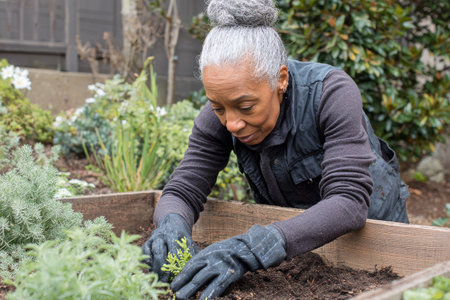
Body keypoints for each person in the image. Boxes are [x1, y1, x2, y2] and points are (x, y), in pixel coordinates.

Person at [143, 0, 410, 299]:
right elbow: (183, 189)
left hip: (370, 240)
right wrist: (171, 225)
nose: (232, 122)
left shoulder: (331, 94)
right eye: (218, 107)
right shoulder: (221, 115)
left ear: (280, 80)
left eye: (246, 107)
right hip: (290, 245)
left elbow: (348, 201)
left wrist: (251, 247)